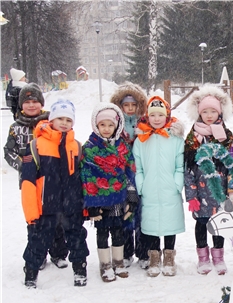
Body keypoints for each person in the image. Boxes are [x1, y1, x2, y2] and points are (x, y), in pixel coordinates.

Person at [20, 98, 90, 288]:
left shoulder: (76, 145)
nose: (64, 123)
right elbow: (27, 182)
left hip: (71, 204)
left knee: (77, 238)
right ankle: (31, 272)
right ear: (51, 119)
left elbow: (82, 178)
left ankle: (80, 270)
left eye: (68, 120)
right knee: (38, 241)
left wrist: (84, 205)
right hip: (46, 206)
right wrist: (31, 213)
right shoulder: (36, 145)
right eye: (60, 119)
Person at [4, 83, 69, 269]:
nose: (31, 105)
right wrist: (23, 167)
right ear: (21, 104)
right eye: (27, 102)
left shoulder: (52, 122)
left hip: (51, 181)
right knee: (34, 219)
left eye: (35, 101)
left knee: (56, 218)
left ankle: (58, 253)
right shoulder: (16, 127)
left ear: (41, 103)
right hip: (29, 184)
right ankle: (38, 255)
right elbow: (8, 151)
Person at [184, 85, 233, 275]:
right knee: (201, 224)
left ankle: (218, 257)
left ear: (220, 112)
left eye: (213, 111)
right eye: (205, 111)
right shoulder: (193, 138)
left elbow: (232, 165)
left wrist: (232, 190)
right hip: (200, 191)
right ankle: (203, 257)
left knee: (219, 225)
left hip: (220, 191)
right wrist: (191, 195)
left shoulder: (227, 136)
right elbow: (188, 169)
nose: (209, 115)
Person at [80, 103, 137, 282]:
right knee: (103, 232)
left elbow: (129, 170)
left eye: (110, 125)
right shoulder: (89, 147)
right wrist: (92, 205)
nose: (106, 129)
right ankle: (105, 265)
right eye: (102, 125)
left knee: (118, 231)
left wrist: (131, 194)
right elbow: (87, 176)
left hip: (119, 198)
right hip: (100, 200)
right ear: (96, 126)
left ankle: (118, 262)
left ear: (117, 126)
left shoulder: (123, 146)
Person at [132, 96, 185, 277]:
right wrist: (141, 186)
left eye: (160, 115)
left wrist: (177, 184)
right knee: (151, 224)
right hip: (150, 190)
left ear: (167, 115)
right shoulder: (141, 140)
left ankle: (169, 256)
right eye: (152, 114)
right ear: (147, 116)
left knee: (170, 223)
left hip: (170, 190)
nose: (156, 119)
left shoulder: (176, 139)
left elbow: (180, 166)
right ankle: (154, 256)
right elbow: (137, 167)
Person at [110, 82, 147, 267]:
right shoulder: (115, 126)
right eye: (126, 105)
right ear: (120, 106)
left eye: (133, 105)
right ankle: (126, 252)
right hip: (123, 174)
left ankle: (142, 252)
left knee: (141, 214)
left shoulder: (144, 124)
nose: (130, 109)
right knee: (126, 214)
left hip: (141, 173)